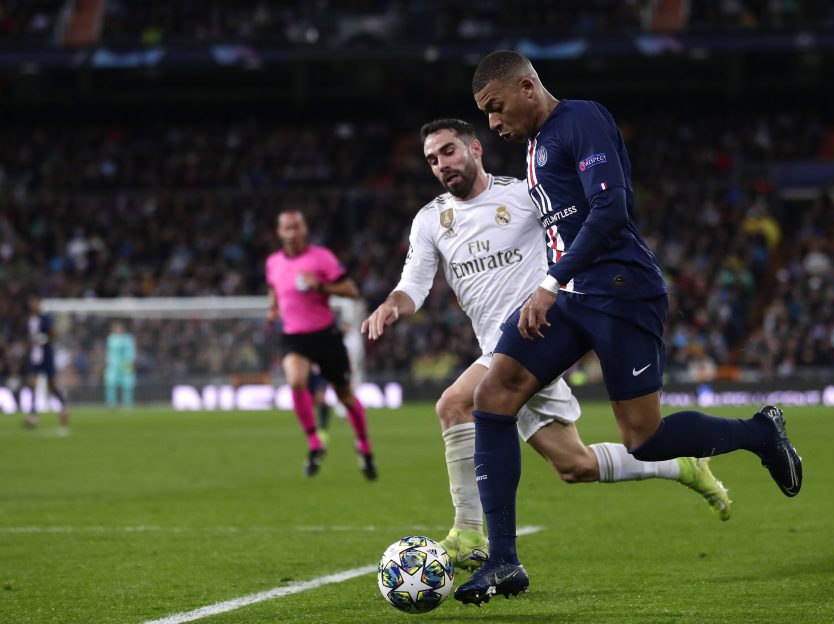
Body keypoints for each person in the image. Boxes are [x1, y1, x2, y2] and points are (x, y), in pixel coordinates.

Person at [455, 50, 803, 605]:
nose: (493, 124)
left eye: (496, 109)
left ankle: (759, 432)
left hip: (621, 290)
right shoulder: (536, 146)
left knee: (644, 441)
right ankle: (503, 561)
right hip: (572, 294)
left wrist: (549, 281)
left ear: (527, 86)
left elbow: (610, 208)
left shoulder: (582, 119)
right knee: (494, 398)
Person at [361, 118, 732, 569]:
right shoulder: (430, 221)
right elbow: (412, 285)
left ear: (475, 149)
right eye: (432, 159)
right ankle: (684, 465)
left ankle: (468, 534)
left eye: (449, 151)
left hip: (539, 335)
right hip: (501, 355)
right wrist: (392, 306)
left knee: (454, 404)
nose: (442, 165)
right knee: (574, 466)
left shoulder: (524, 196)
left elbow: (578, 237)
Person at [266, 210, 376, 480]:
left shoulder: (321, 258)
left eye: (296, 227)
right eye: (287, 229)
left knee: (345, 396)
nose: (292, 233)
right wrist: (273, 309)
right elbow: (274, 288)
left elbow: (351, 290)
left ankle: (363, 445)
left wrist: (321, 286)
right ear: (279, 233)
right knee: (295, 381)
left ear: (305, 230)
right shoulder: (273, 262)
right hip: (295, 337)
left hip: (325, 336)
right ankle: (314, 443)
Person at [22, 294, 69, 429]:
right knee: (31, 384)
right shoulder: (30, 320)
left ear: (40, 303)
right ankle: (32, 416)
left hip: (46, 355)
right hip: (35, 355)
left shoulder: (45, 318)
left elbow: (54, 333)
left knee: (51, 385)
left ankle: (63, 406)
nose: (33, 305)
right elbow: (30, 337)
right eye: (32, 302)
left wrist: (45, 338)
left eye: (35, 302)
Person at [104, 320, 136, 409]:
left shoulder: (128, 338)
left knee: (127, 384)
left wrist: (131, 362)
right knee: (110, 383)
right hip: (113, 364)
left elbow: (131, 352)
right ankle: (111, 403)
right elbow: (109, 352)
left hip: (126, 364)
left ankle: (127, 404)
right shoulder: (111, 338)